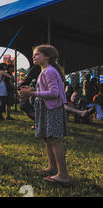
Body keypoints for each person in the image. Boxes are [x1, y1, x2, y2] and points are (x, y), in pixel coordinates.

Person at [19, 44, 70, 184]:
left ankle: (63, 175)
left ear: (46, 56)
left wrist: (32, 93)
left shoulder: (49, 71)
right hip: (47, 108)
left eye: (37, 54)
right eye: (33, 54)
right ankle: (52, 167)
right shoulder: (46, 71)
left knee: (54, 140)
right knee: (48, 139)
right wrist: (33, 88)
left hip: (52, 109)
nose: (33, 57)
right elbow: (47, 88)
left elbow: (55, 93)